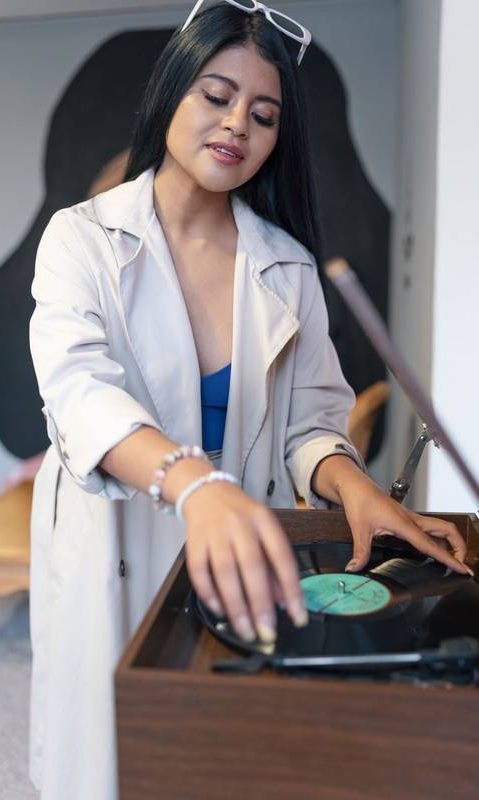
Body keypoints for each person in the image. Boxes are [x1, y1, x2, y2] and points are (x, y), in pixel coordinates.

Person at [28, 3, 469, 798]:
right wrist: (196, 486)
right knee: (111, 762)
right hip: (118, 552)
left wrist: (354, 486)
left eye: (263, 114)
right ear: (172, 92)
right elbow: (77, 395)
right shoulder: (83, 239)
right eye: (216, 95)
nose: (237, 124)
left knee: (221, 755)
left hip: (240, 555)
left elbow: (311, 423)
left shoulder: (288, 266)